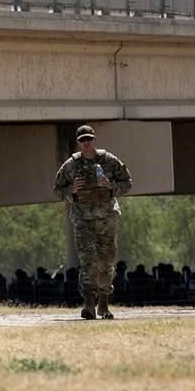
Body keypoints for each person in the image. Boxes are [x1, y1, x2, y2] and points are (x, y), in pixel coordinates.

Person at [54, 124, 132, 320]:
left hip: (107, 218)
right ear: (78, 143)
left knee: (106, 262)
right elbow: (57, 189)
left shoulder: (110, 161)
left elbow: (128, 183)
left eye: (89, 139)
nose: (86, 144)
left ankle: (104, 304)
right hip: (83, 220)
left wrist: (111, 186)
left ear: (94, 140)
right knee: (88, 262)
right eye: (82, 141)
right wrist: (71, 190)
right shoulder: (70, 166)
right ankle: (89, 304)